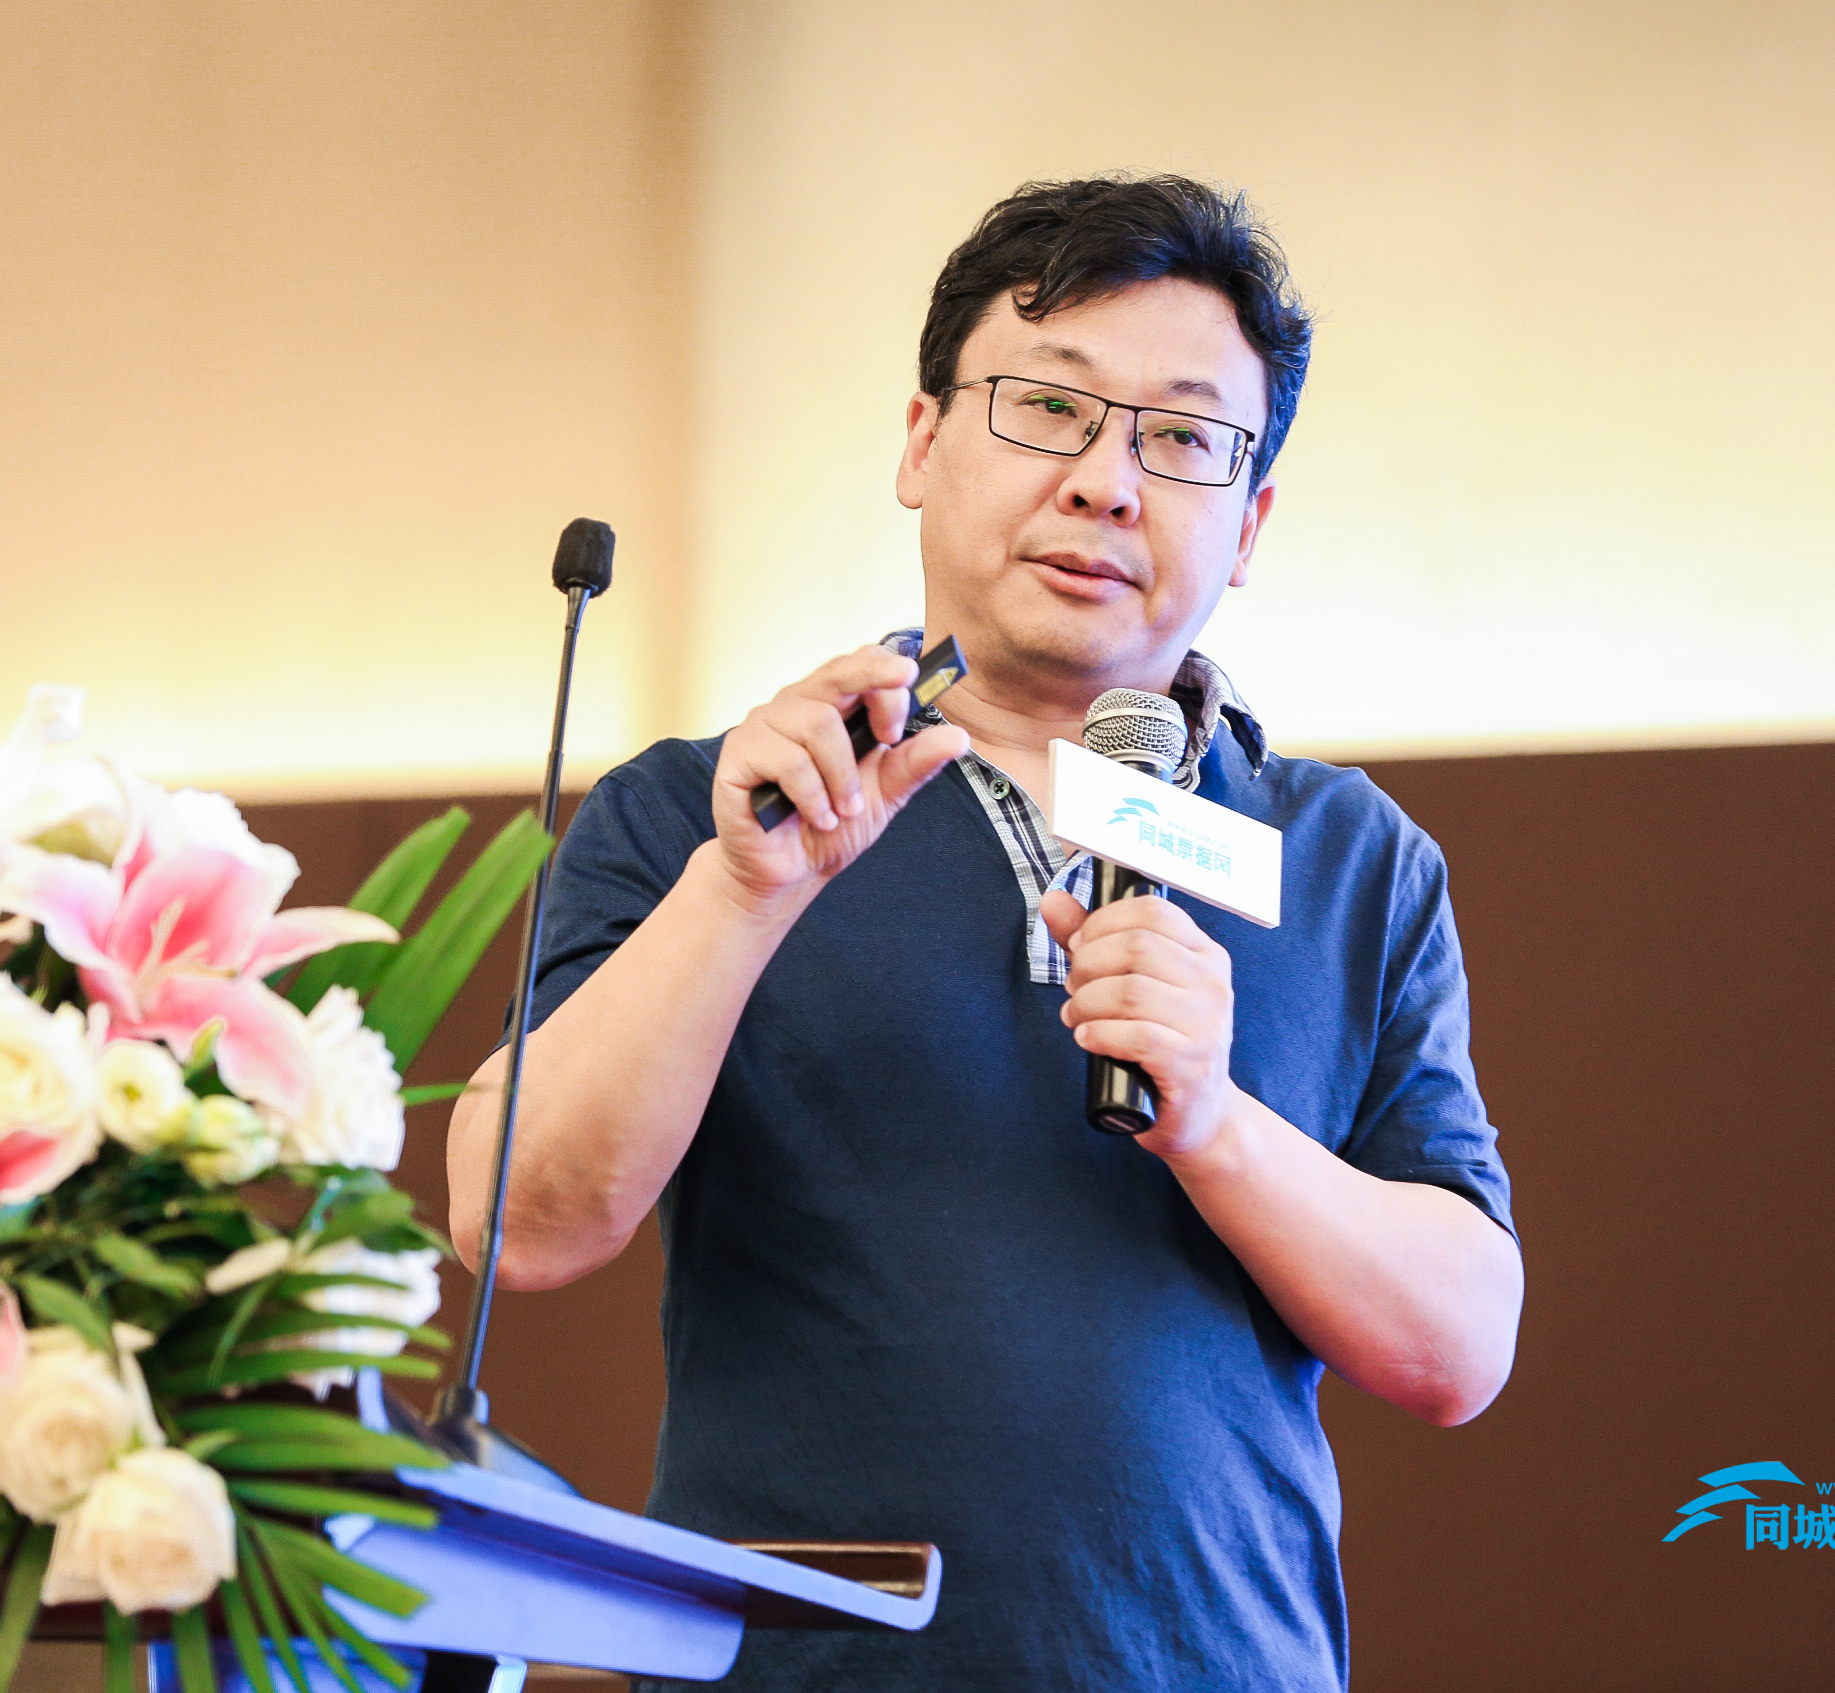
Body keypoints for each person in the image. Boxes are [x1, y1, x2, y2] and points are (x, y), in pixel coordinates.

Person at [445, 174, 1523, 1691]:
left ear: (1252, 522)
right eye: (1049, 409)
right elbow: (520, 1219)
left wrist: (1215, 1124)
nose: (1105, 483)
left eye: (1183, 440)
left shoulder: (1347, 856)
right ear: (921, 440)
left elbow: (1459, 1346)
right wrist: (743, 895)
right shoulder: (711, 809)